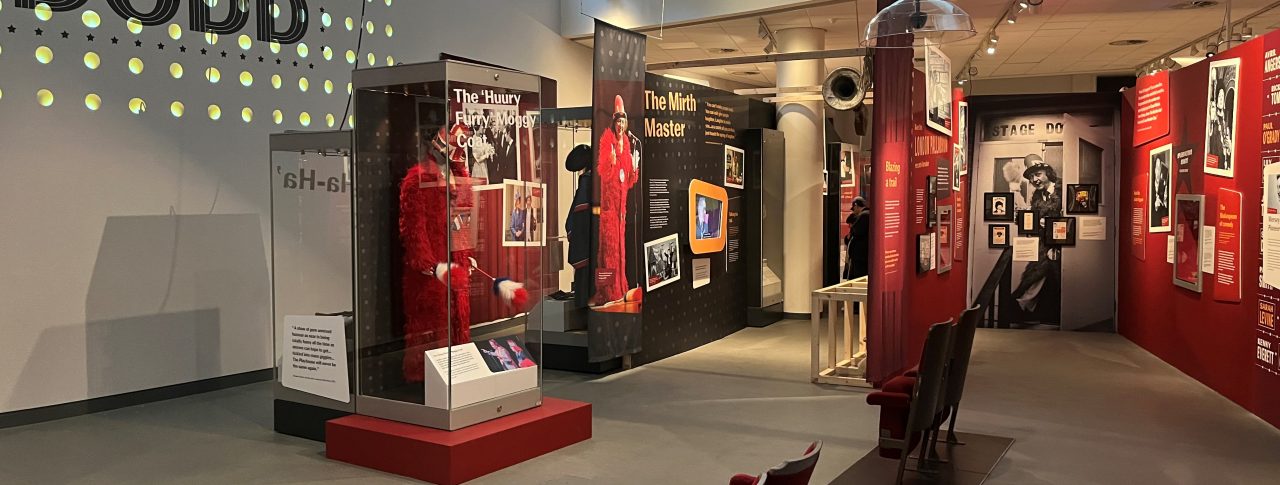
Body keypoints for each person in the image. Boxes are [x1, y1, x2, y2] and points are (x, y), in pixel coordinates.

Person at [595, 95, 640, 304]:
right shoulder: (607, 141)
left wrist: (634, 168)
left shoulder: (628, 144)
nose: (621, 126)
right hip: (610, 209)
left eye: (623, 122)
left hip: (621, 211)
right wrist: (611, 162)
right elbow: (604, 174)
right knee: (610, 251)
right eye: (618, 122)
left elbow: (628, 182)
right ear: (614, 123)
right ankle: (609, 292)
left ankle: (621, 287)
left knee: (621, 251)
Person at [1011, 155, 1062, 325]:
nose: (1035, 179)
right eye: (1031, 177)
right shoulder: (1037, 196)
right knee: (1037, 274)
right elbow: (1033, 219)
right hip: (1044, 244)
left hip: (1064, 243)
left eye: (1038, 174)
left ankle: (1024, 307)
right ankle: (1024, 307)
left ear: (1048, 173)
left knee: (1055, 277)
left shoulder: (1062, 189)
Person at [844, 197, 871, 280]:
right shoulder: (868, 214)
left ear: (856, 205)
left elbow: (856, 232)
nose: (853, 211)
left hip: (860, 255)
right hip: (863, 254)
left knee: (859, 277)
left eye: (854, 208)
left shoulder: (864, 215)